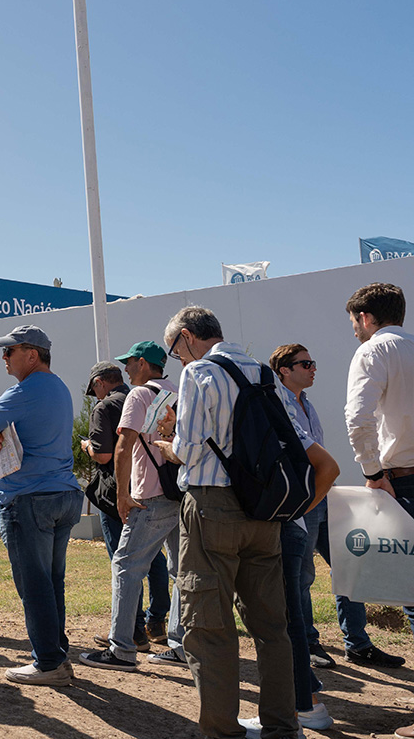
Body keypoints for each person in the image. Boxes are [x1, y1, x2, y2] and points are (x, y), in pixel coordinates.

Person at [155, 306, 337, 739]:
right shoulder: (264, 373)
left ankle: (222, 730)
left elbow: (190, 448)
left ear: (187, 336)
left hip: (212, 506)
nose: (176, 358)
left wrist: (168, 445)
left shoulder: (199, 372)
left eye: (174, 349)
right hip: (264, 510)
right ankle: (281, 724)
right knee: (273, 626)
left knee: (209, 625)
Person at [270, 342, 403, 673]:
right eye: (306, 364)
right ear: (284, 370)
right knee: (303, 575)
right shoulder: (277, 403)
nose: (313, 368)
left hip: (326, 495)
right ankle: (308, 643)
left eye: (313, 362)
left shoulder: (307, 403)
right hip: (303, 499)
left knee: (351, 566)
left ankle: (357, 644)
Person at [0, 325, 82, 686]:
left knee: (35, 585)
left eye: (9, 351)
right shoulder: (58, 387)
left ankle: (48, 662)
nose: (4, 357)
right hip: (61, 493)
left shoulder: (26, 389)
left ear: (31, 355)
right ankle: (56, 655)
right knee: (51, 582)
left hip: (29, 498)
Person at [78, 340, 185, 671]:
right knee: (179, 571)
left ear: (143, 363)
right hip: (179, 494)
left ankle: (122, 649)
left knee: (125, 566)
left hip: (148, 495)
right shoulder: (179, 391)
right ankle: (181, 645)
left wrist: (122, 495)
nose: (125, 368)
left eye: (130, 362)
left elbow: (123, 447)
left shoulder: (139, 395)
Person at [341, 284, 414, 739]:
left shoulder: (373, 351)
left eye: (354, 321)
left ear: (366, 317)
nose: (353, 330)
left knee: (411, 590)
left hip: (401, 480)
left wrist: (372, 473)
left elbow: (358, 418)